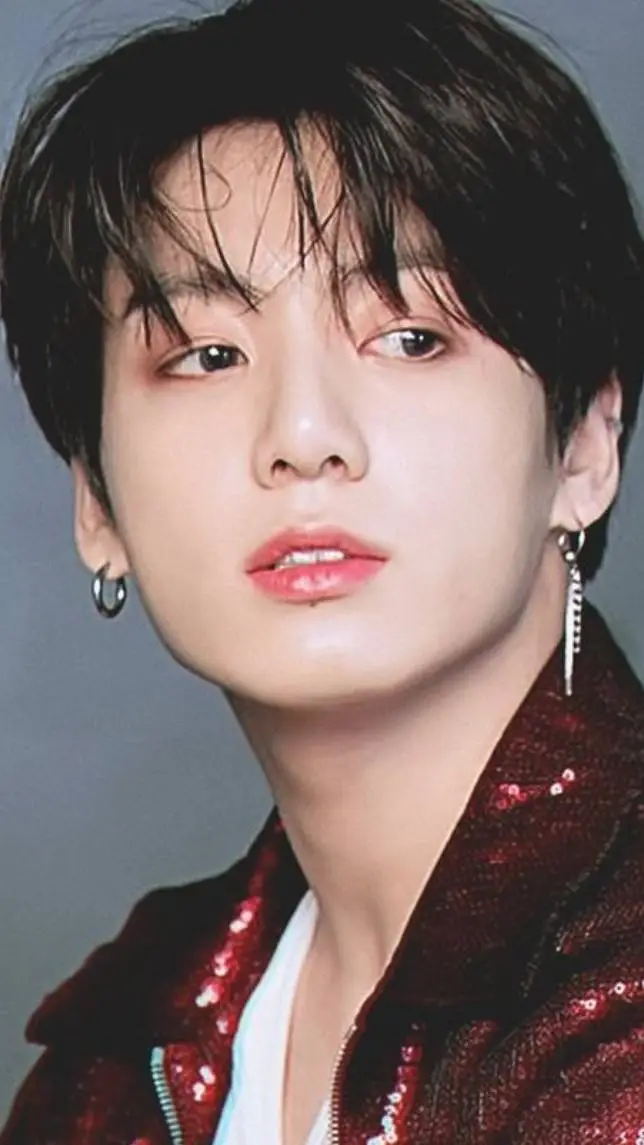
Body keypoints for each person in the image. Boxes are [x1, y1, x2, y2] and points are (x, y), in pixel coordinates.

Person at [2, 0, 644, 1140]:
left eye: (410, 337)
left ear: (584, 445)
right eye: (207, 354)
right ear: (95, 499)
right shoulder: (117, 1053)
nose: (302, 436)